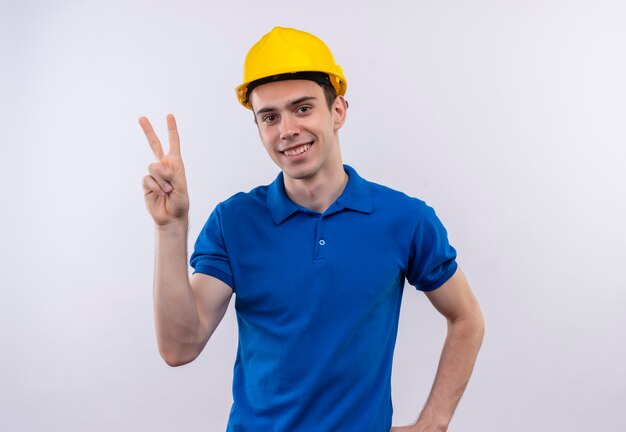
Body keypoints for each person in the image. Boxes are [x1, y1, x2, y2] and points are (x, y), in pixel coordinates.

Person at [139, 26, 484, 432]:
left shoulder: (405, 219)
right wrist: (171, 228)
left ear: (337, 110)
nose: (286, 130)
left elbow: (467, 318)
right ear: (258, 128)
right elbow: (180, 346)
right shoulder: (234, 222)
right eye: (270, 117)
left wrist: (434, 422)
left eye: (303, 108)